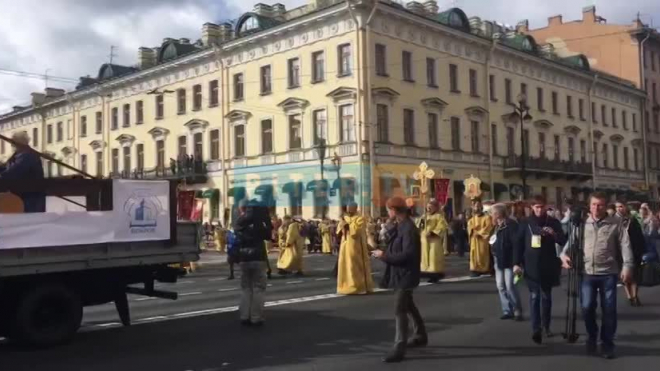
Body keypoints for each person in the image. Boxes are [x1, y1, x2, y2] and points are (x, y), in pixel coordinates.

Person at [561, 192, 634, 359]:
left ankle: (607, 344)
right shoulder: (582, 223)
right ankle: (592, 337)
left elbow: (625, 245)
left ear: (606, 206)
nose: (596, 208)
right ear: (589, 205)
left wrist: (627, 266)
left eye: (600, 205)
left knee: (609, 310)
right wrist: (563, 256)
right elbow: (570, 242)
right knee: (587, 308)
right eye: (594, 204)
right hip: (586, 272)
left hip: (608, 273)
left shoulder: (615, 223)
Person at [372, 197, 426, 363]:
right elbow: (390, 241)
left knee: (399, 309)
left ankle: (399, 348)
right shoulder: (400, 225)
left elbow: (407, 254)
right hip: (399, 273)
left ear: (394, 210)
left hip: (405, 274)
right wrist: (387, 227)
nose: (388, 213)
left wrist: (384, 256)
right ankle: (420, 335)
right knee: (408, 305)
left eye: (389, 210)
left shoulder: (408, 228)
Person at [515, 195, 566, 344]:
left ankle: (546, 326)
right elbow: (518, 244)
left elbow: (563, 240)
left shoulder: (553, 222)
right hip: (531, 265)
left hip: (548, 263)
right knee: (534, 297)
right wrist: (516, 263)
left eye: (541, 206)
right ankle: (536, 328)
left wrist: (553, 234)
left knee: (546, 297)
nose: (539, 209)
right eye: (536, 207)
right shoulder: (525, 223)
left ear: (546, 207)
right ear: (532, 208)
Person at [233, 200, 271, 326]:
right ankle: (256, 317)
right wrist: (267, 219)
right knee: (258, 288)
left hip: (244, 257)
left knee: (245, 288)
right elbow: (268, 235)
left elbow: (236, 234)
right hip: (258, 257)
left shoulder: (241, 221)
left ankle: (244, 316)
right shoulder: (260, 222)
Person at [489, 203, 522, 321]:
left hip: (509, 260)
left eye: (492, 213)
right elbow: (492, 241)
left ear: (498, 214)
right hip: (498, 259)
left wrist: (516, 262)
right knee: (500, 286)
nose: (491, 215)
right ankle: (507, 310)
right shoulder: (495, 226)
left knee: (509, 286)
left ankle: (517, 310)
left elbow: (516, 244)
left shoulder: (511, 225)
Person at [0, 131, 46, 213]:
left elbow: (14, 172)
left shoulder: (28, 156)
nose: (11, 145)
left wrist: (2, 176)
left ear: (20, 142)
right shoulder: (19, 155)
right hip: (22, 195)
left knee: (30, 220)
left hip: (30, 197)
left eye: (13, 142)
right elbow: (6, 168)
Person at [337, 203, 374, 295]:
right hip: (345, 245)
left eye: (350, 207)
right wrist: (341, 224)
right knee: (345, 265)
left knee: (354, 266)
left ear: (355, 208)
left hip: (355, 246)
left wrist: (346, 224)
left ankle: (357, 286)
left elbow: (355, 232)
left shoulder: (360, 218)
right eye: (347, 206)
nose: (348, 208)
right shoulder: (344, 218)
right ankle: (345, 286)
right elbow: (338, 231)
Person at [615, 201, 646, 307]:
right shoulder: (614, 222)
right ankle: (629, 296)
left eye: (621, 206)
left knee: (635, 276)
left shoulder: (632, 221)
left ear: (625, 208)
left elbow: (639, 237)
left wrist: (641, 251)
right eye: (617, 207)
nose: (619, 209)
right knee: (625, 277)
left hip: (634, 251)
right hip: (620, 253)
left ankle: (635, 296)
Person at [418, 199, 449, 283]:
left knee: (433, 257)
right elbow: (419, 226)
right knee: (425, 257)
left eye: (431, 207)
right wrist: (421, 222)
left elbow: (442, 227)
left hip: (434, 240)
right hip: (424, 240)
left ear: (435, 207)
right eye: (428, 207)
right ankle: (425, 272)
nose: (429, 208)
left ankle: (435, 274)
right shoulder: (424, 216)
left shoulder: (439, 216)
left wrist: (433, 233)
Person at [468, 198, 494, 277]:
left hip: (482, 240)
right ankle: (475, 269)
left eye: (479, 206)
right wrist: (472, 230)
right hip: (474, 240)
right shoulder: (472, 219)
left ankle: (485, 269)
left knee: (483, 253)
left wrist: (479, 233)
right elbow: (469, 227)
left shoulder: (487, 217)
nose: (477, 208)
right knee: (474, 254)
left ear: (481, 207)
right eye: (475, 206)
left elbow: (488, 227)